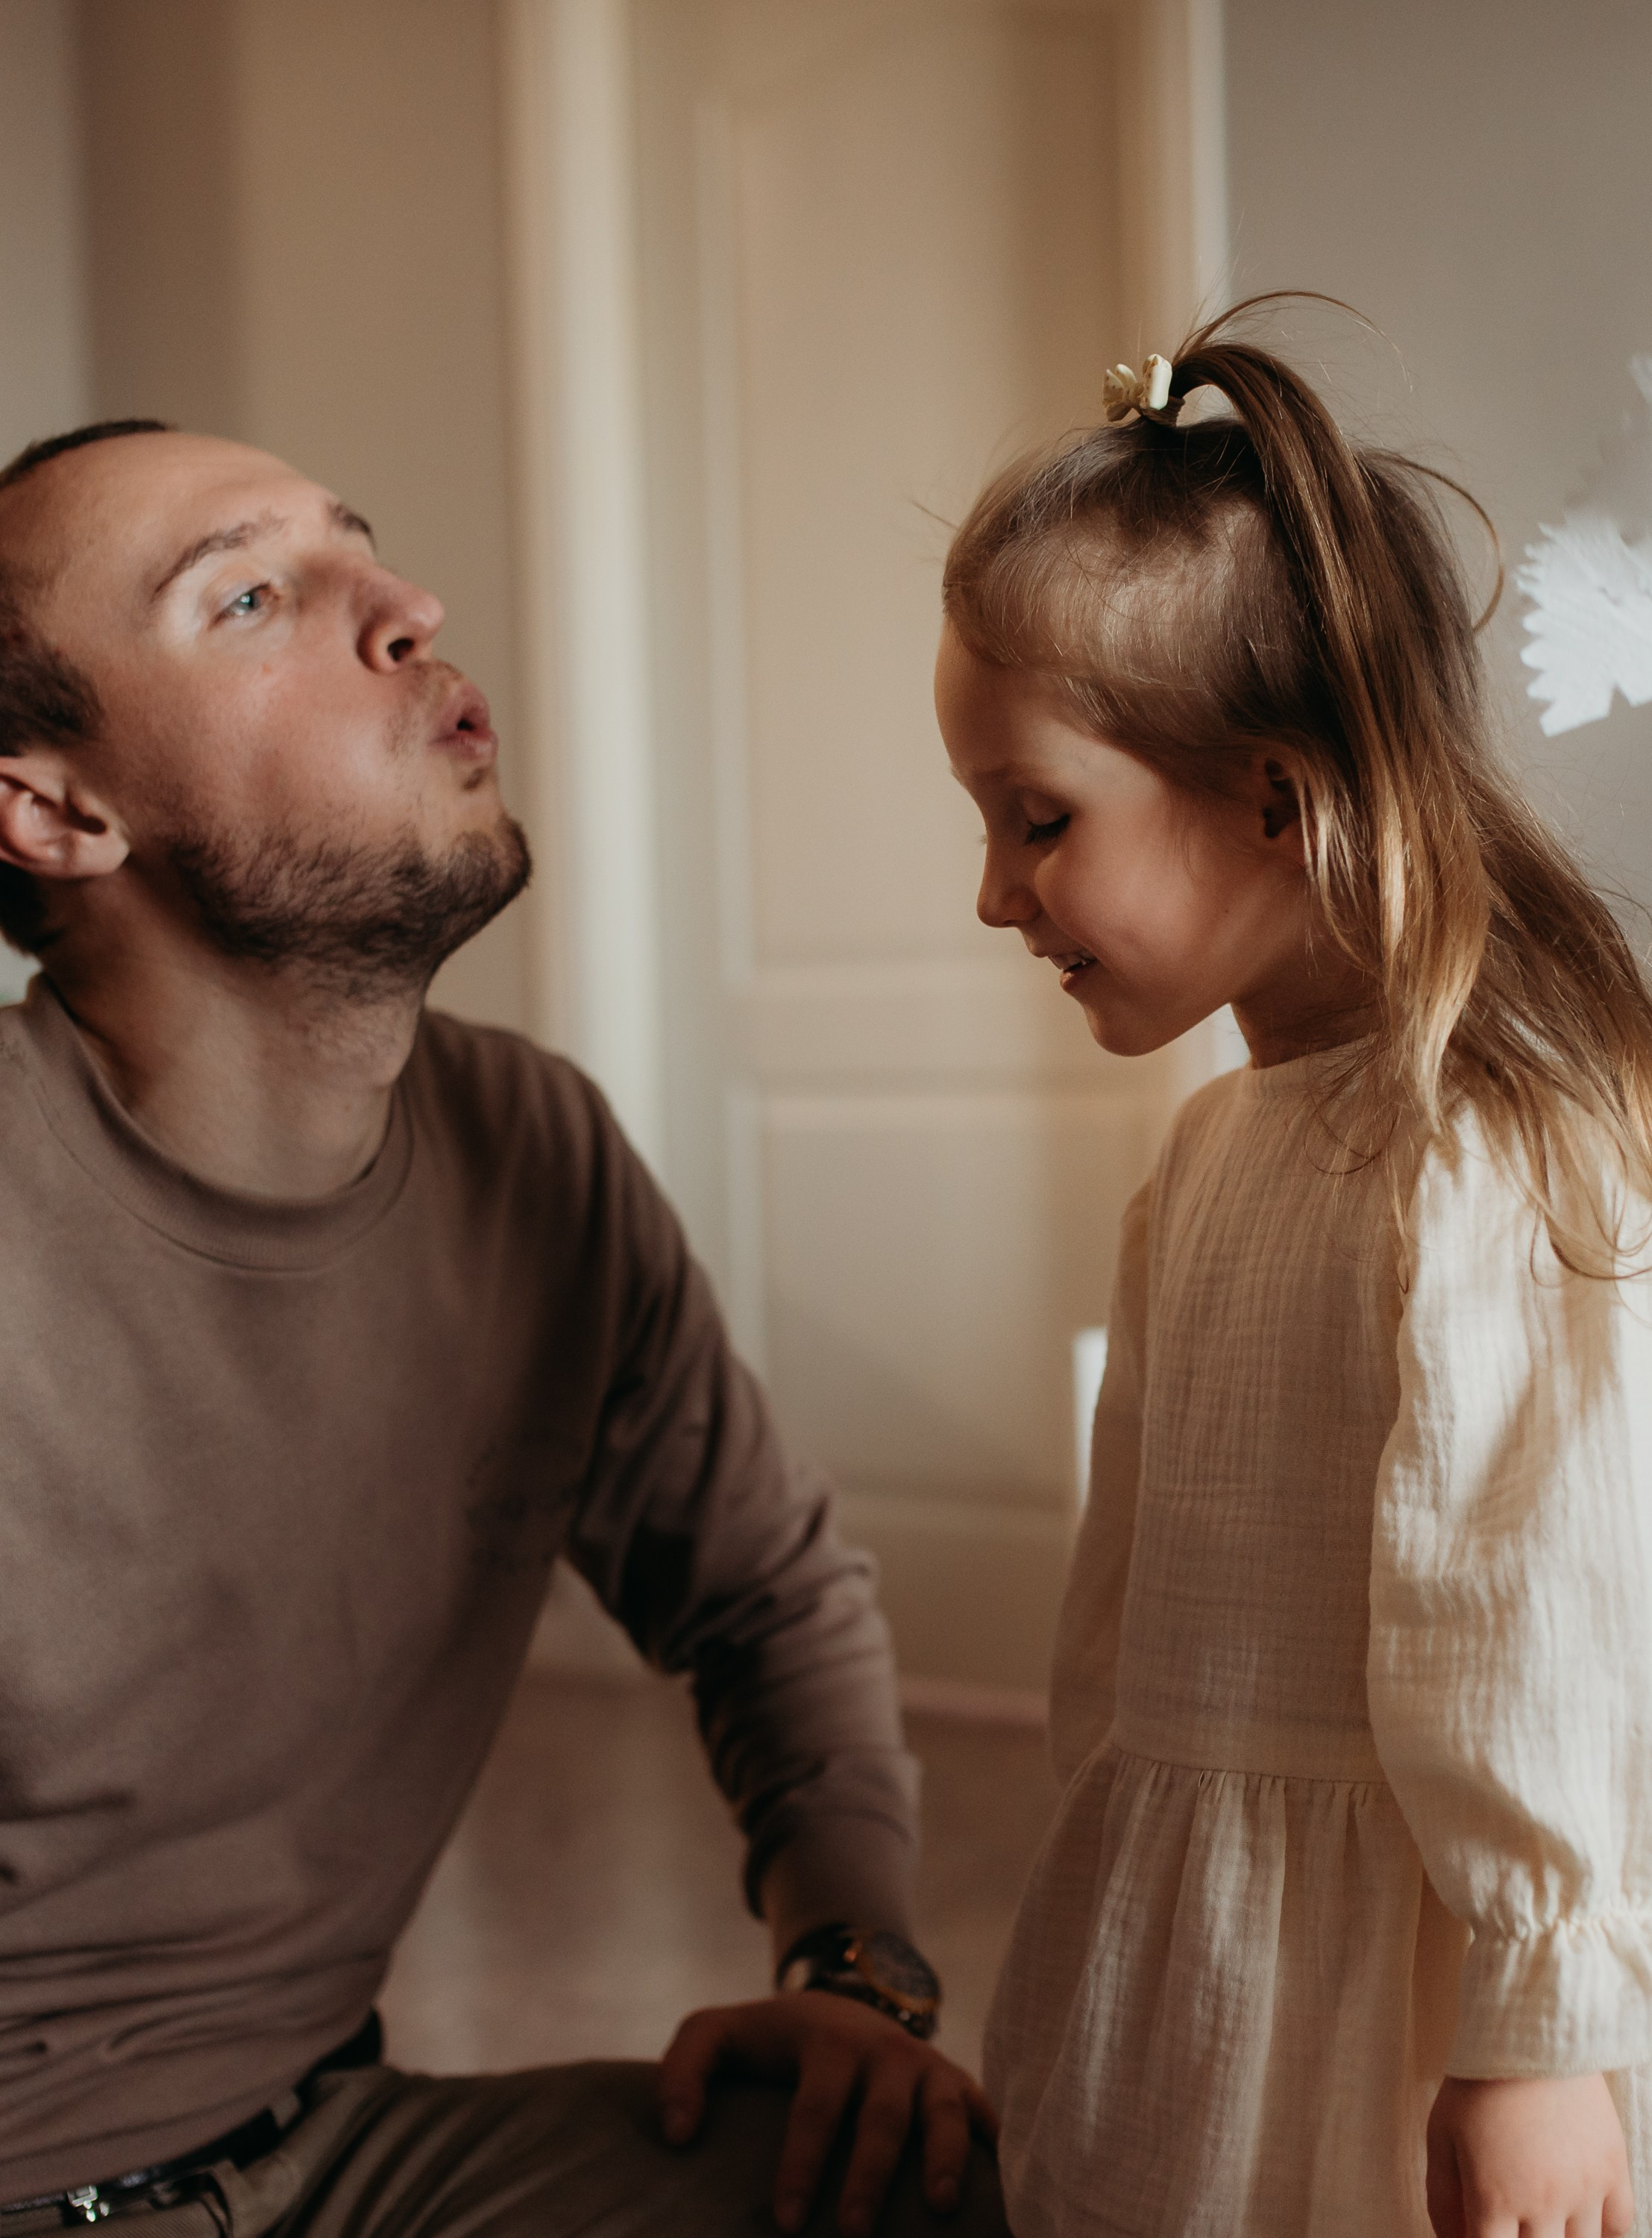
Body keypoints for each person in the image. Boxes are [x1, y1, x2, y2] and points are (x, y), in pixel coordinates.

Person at [0, 419, 1005, 2238]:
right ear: (62, 811)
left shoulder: (533, 1153)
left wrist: (854, 1969)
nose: (407, 608)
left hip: (340, 2152)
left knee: (913, 2185)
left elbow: (764, 1596)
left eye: (362, 549)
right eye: (250, 595)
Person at [933, 297, 1652, 2238]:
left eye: (1038, 821)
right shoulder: (1212, 1145)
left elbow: (1541, 1625)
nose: (997, 892)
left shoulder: (1490, 1149)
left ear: (1272, 792)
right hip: (1190, 1942)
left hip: (1406, 1998)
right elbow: (1120, 1606)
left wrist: (1535, 2035)